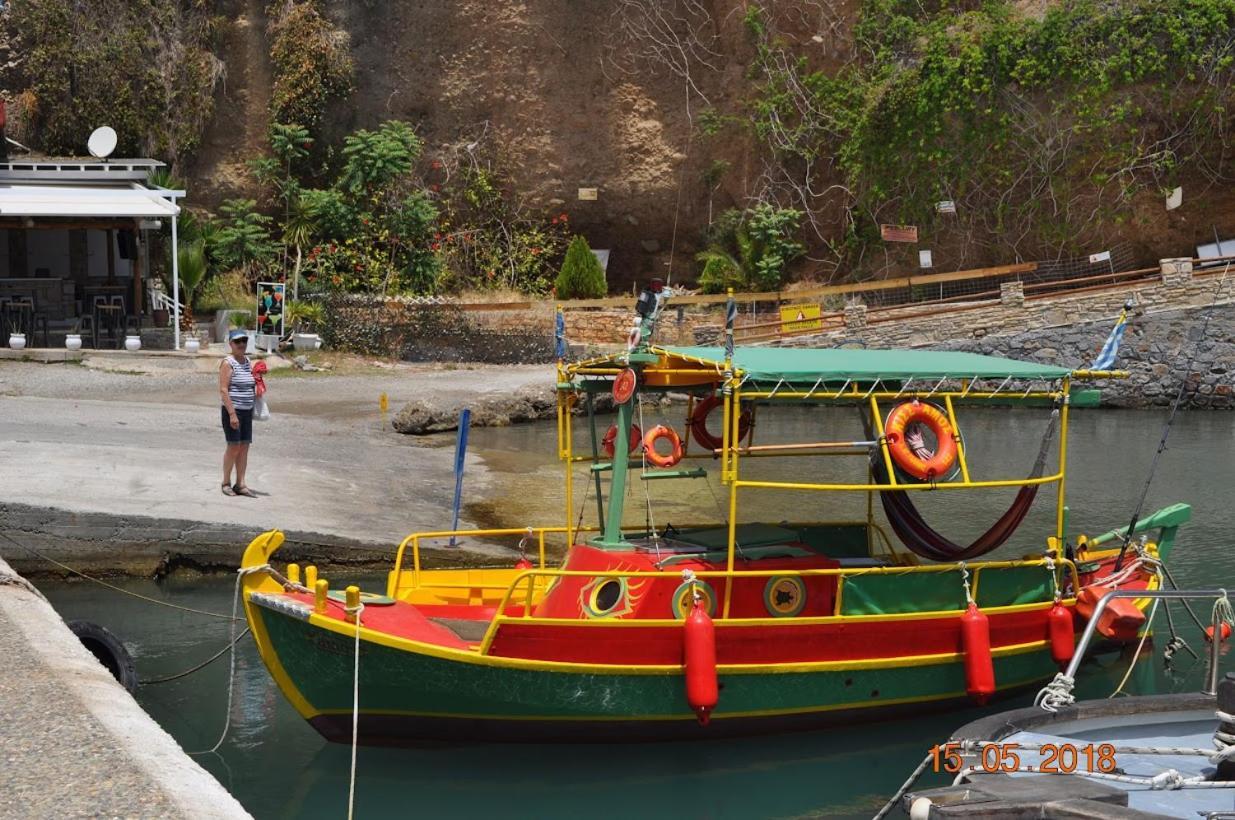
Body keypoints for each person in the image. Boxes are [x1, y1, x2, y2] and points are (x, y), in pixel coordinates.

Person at [219, 329, 258, 497]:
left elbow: (250, 383)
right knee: (233, 446)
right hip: (232, 411)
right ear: (231, 344)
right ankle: (226, 482)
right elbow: (223, 390)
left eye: (244, 341)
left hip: (247, 411)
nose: (241, 344)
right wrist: (232, 414)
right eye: (237, 342)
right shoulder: (228, 362)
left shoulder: (247, 361)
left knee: (244, 447)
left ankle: (240, 483)